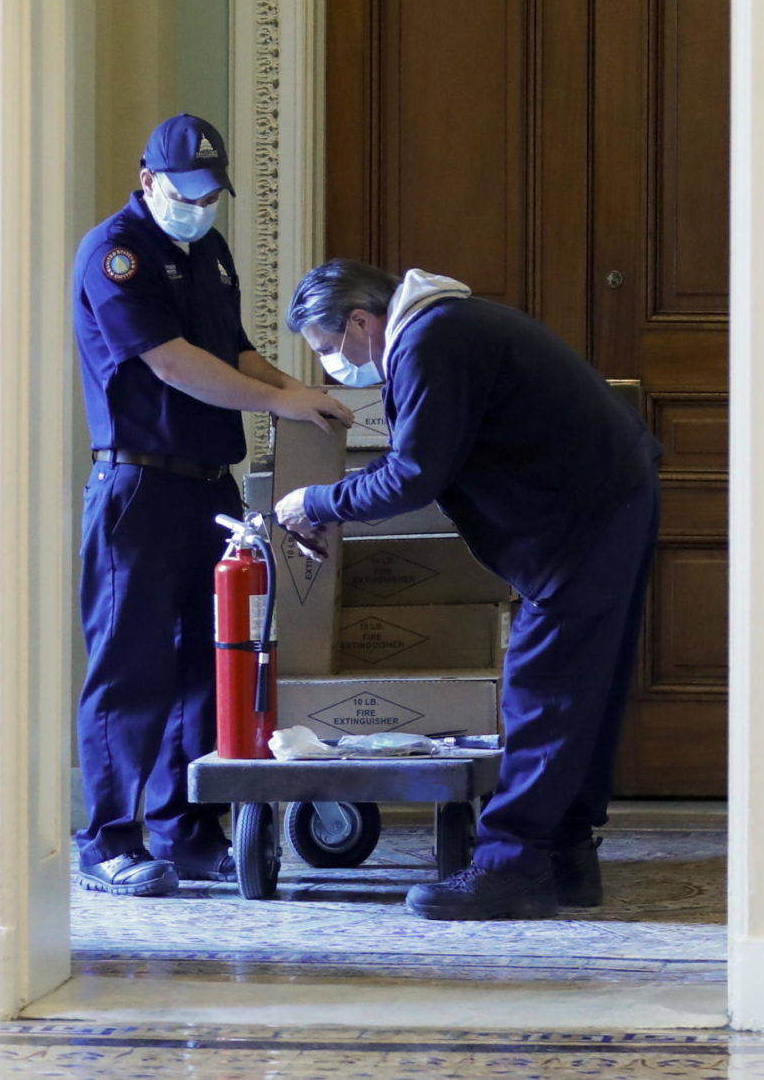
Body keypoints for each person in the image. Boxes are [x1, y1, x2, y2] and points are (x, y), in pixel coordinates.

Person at [274, 261, 660, 921]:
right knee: (581, 687)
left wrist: (316, 502)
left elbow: (414, 475)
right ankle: (566, 856)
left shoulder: (431, 339)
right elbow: (428, 458)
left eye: (328, 347)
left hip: (583, 516)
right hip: (606, 500)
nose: (334, 366)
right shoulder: (445, 326)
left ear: (361, 322)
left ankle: (511, 867)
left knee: (543, 689)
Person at [69, 114, 351, 896]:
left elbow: (235, 352)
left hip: (208, 487)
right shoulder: (116, 253)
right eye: (185, 193)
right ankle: (108, 840)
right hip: (138, 486)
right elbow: (173, 364)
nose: (198, 207)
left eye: (209, 195)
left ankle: (187, 830)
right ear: (148, 179)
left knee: (211, 660)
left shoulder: (210, 252)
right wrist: (279, 404)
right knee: (130, 667)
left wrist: (301, 392)